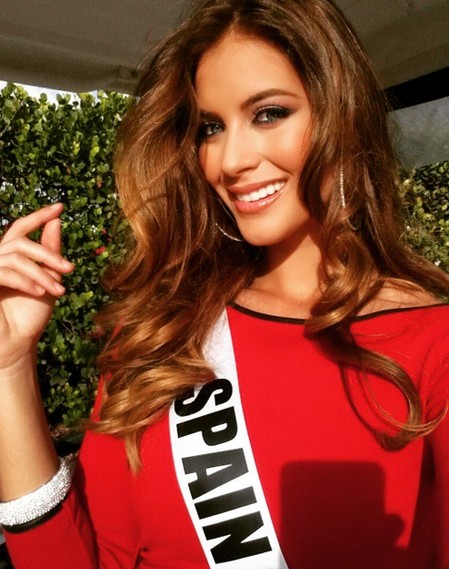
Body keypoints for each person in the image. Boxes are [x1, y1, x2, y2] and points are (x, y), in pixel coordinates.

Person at [1, 0, 448, 567]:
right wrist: (9, 367)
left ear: (344, 115)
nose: (229, 160)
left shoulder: (431, 345)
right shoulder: (167, 328)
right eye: (210, 127)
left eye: (269, 113)